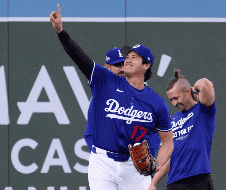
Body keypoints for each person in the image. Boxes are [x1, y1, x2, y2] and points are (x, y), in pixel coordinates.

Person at [50, 4, 173, 190]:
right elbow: (79, 57)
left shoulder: (156, 103)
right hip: (103, 163)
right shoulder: (105, 80)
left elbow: (168, 141)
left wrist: (155, 166)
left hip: (135, 170)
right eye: (128, 56)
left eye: (135, 57)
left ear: (146, 65)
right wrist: (61, 32)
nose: (128, 60)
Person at [84, 48, 161, 158]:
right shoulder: (101, 88)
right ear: (107, 66)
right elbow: (91, 129)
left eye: (124, 64)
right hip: (104, 158)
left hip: (134, 161)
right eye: (117, 65)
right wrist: (97, 151)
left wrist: (149, 155)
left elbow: (154, 130)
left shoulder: (144, 93)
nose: (122, 69)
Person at [149, 70, 216, 190]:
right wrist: (153, 183)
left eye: (176, 98)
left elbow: (205, 83)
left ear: (187, 91)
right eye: (171, 100)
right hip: (174, 183)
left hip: (198, 179)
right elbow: (171, 157)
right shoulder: (172, 120)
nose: (174, 103)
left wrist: (194, 90)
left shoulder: (203, 110)